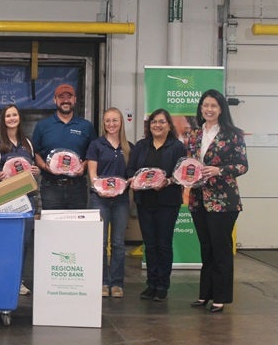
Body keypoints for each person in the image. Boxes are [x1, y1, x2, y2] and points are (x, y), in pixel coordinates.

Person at [186, 89, 248, 313]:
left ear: (221, 108)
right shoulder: (194, 134)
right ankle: (205, 294)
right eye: (205, 105)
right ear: (201, 108)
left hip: (223, 201)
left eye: (213, 105)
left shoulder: (233, 134)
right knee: (206, 247)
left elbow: (242, 165)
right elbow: (190, 162)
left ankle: (220, 297)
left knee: (221, 249)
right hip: (198, 198)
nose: (209, 109)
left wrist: (219, 170)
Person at [127, 108, 186, 302]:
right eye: (154, 122)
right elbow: (131, 169)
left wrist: (167, 182)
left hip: (168, 202)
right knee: (150, 245)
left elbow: (181, 174)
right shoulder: (141, 146)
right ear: (149, 125)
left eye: (161, 122)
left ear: (169, 125)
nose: (157, 125)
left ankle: (162, 286)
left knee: (163, 244)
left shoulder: (177, 147)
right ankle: (151, 284)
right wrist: (134, 180)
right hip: (145, 201)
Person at [0, 104, 40, 295]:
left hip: (27, 198)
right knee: (4, 239)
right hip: (5, 198)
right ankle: (1, 278)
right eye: (8, 116)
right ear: (3, 119)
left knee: (23, 241)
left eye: (15, 115)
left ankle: (18, 281)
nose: (12, 118)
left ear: (19, 118)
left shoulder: (28, 143)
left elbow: (33, 167)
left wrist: (35, 170)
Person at [86, 107, 132, 299]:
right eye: (107, 121)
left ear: (121, 122)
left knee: (119, 243)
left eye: (115, 120)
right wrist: (101, 188)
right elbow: (92, 174)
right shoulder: (96, 145)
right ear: (103, 124)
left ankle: (117, 283)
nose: (111, 124)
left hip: (121, 200)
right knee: (100, 241)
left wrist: (124, 185)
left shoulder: (129, 147)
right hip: (100, 200)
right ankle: (103, 282)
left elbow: (131, 176)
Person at [32, 83, 96, 210]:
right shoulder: (43, 126)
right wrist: (45, 166)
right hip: (51, 188)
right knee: (52, 227)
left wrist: (83, 166)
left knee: (76, 227)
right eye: (61, 97)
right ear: (55, 100)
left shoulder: (86, 126)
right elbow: (35, 153)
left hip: (78, 188)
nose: (65, 100)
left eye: (69, 97)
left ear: (75, 100)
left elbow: (93, 154)